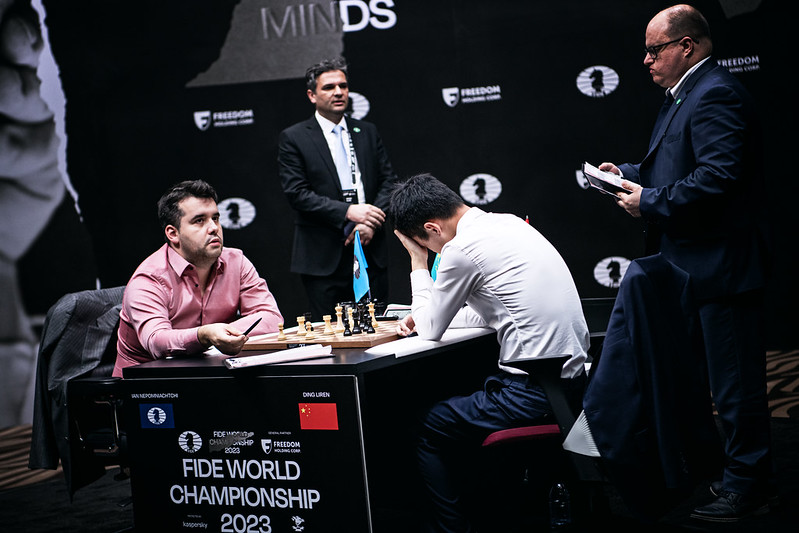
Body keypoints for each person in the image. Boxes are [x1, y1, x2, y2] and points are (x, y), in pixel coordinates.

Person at [598, 4, 773, 522]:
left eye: (654, 50)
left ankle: (753, 488)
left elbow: (718, 178)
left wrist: (646, 201)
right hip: (692, 271)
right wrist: (626, 174)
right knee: (712, 385)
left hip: (722, 271)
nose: (646, 60)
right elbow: (674, 165)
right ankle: (731, 477)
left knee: (737, 388)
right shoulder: (684, 95)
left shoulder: (715, 92)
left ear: (687, 47)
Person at [388, 173, 589, 533]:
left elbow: (431, 328)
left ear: (432, 228)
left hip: (531, 395)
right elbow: (490, 309)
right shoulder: (507, 223)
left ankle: (452, 530)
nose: (432, 252)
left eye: (426, 244)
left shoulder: (459, 249)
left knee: (425, 425)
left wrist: (418, 264)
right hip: (573, 386)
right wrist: (431, 316)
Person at [113, 180, 283, 377]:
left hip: (208, 374)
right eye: (199, 220)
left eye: (216, 218)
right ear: (173, 233)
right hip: (147, 384)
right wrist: (204, 335)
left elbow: (271, 318)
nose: (214, 228)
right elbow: (156, 341)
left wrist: (221, 333)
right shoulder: (149, 279)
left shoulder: (237, 261)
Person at [277, 57, 398, 321]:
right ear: (312, 95)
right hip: (323, 257)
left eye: (343, 85)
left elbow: (389, 181)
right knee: (332, 339)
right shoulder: (295, 137)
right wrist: (349, 211)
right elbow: (297, 193)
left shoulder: (366, 131)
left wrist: (370, 222)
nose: (339, 92)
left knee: (379, 329)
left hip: (370, 249)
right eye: (329, 87)